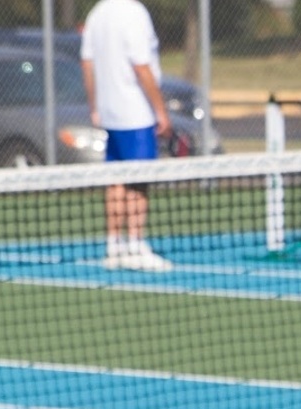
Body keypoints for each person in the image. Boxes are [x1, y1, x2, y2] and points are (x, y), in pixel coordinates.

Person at [80, 0, 173, 272]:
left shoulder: (96, 13)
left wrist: (95, 105)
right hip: (136, 113)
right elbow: (141, 66)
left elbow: (87, 63)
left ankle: (114, 247)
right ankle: (134, 245)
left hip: (111, 112)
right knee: (138, 182)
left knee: (117, 180)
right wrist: (160, 111)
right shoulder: (134, 13)